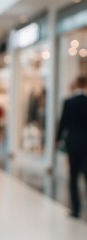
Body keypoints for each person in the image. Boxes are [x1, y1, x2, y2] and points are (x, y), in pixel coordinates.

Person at [56, 75, 87, 219]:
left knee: (73, 174)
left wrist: (57, 140)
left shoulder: (69, 102)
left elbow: (63, 123)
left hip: (73, 142)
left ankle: (76, 209)